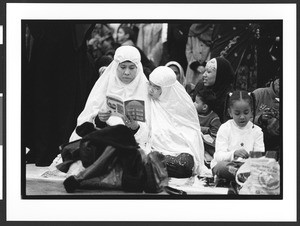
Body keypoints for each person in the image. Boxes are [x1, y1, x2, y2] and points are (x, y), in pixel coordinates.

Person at [49, 45, 151, 169]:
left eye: (132, 68)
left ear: (138, 68)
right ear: (115, 67)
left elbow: (152, 128)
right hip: (103, 136)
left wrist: (136, 127)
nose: (127, 72)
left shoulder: (145, 89)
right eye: (123, 67)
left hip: (131, 141)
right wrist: (100, 119)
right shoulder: (105, 84)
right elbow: (86, 120)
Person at [146, 66, 211, 178]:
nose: (150, 89)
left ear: (166, 89)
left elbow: (192, 132)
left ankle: (153, 166)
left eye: (156, 87)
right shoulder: (148, 102)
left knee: (184, 166)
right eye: (150, 84)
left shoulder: (182, 104)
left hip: (180, 152)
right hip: (155, 150)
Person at [211, 90, 265, 182]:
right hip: (228, 166)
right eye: (237, 113)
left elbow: (259, 157)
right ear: (230, 112)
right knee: (221, 167)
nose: (242, 117)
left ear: (252, 111)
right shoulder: (225, 128)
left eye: (246, 112)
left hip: (247, 167)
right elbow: (218, 156)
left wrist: (251, 160)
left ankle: (243, 177)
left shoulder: (257, 131)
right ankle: (242, 177)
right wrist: (234, 153)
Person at [201, 57, 234, 123]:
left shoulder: (230, 98)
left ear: (220, 74)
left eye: (208, 72)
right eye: (204, 71)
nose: (204, 75)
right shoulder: (201, 88)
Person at [253, 77, 280, 154]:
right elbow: (243, 119)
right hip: (257, 139)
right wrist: (260, 119)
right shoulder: (258, 94)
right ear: (275, 81)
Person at [185, 23, 214, 89]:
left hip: (205, 69)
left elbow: (212, 51)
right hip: (192, 69)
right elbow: (188, 49)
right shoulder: (193, 30)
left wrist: (206, 64)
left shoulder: (212, 31)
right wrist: (194, 65)